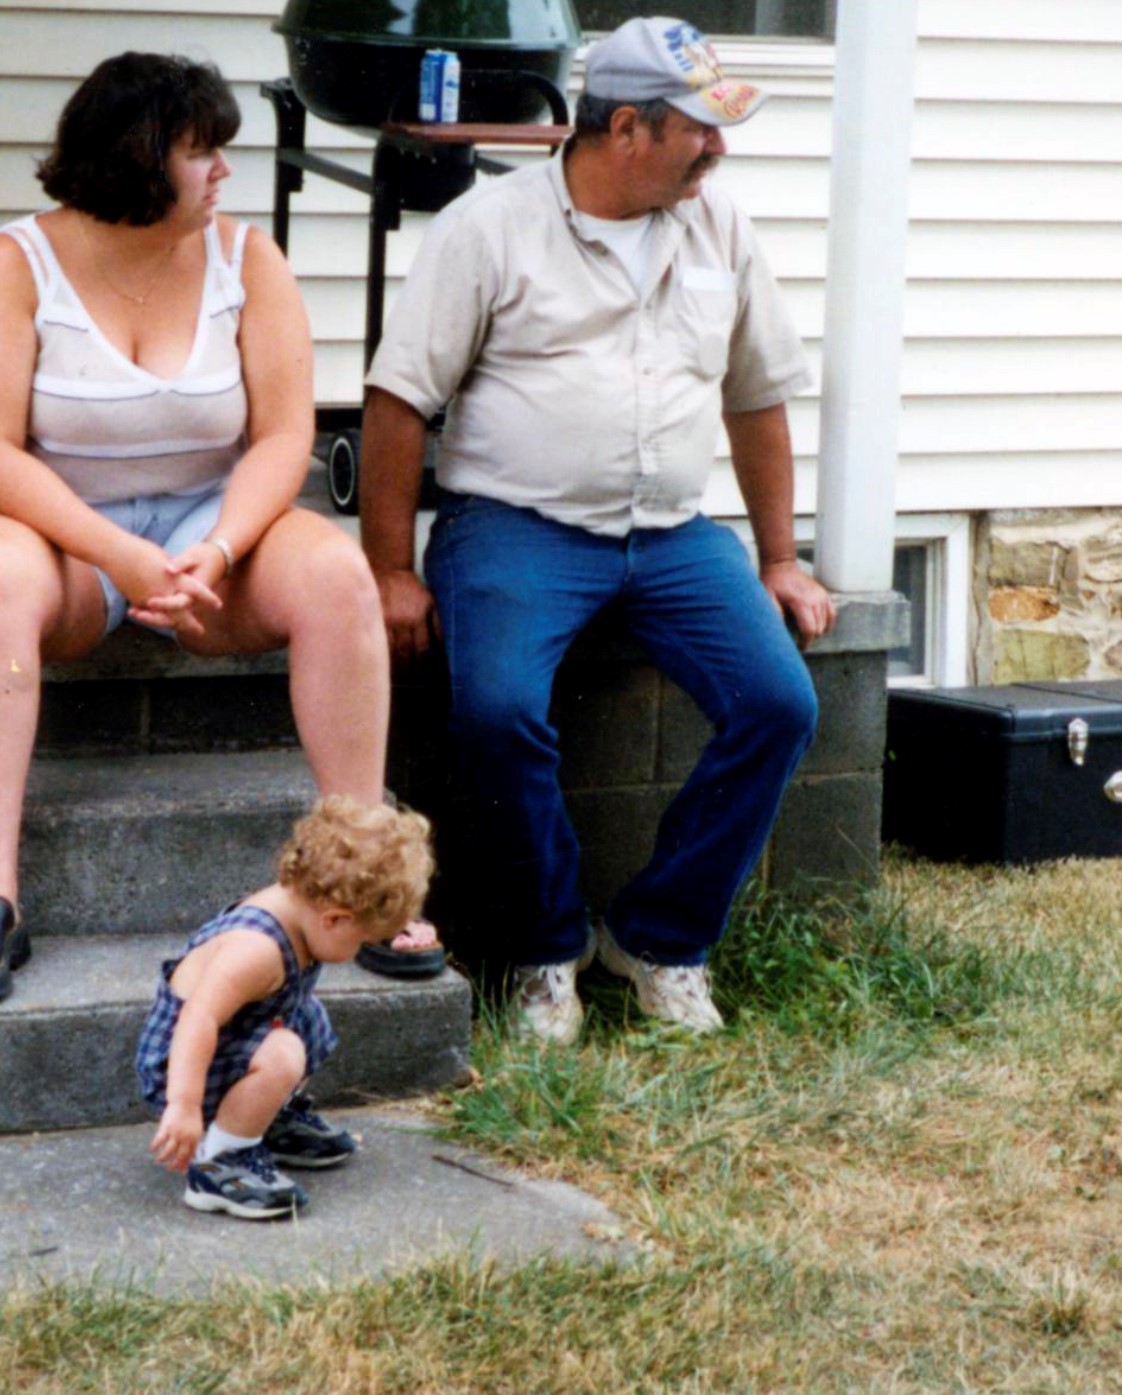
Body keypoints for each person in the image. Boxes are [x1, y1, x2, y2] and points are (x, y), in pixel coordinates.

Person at [0, 53, 440, 1005]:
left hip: (213, 526)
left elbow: (284, 435)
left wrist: (223, 546)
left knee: (337, 572)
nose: (223, 172)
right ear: (138, 156)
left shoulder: (247, 259)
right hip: (61, 530)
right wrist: (118, 553)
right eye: (203, 152)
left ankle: (364, 873)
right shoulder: (13, 263)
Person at [359, 18, 833, 1043]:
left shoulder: (720, 227)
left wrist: (779, 557)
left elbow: (756, 399)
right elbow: (398, 403)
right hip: (513, 527)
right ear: (625, 129)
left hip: (673, 535)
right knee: (495, 712)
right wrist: (390, 569)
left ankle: (660, 938)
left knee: (779, 703)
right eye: (698, 129)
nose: (717, 148)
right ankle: (545, 949)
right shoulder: (488, 229)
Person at [136, 796, 433, 1219]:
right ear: (334, 919)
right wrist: (184, 1104)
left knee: (306, 1019)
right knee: (284, 1053)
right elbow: (197, 1017)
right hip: (184, 1067)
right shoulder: (257, 950)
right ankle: (219, 1163)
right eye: (361, 941)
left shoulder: (302, 907)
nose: (358, 952)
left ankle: (262, 1120)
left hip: (227, 1043)